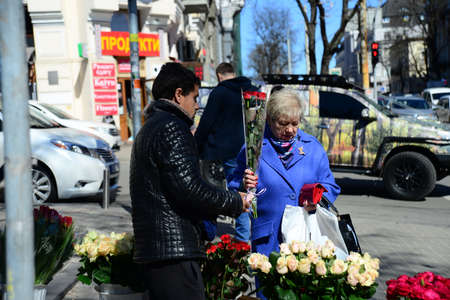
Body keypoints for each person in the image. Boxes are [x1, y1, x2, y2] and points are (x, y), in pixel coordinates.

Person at [130, 62, 251, 300]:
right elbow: (190, 189)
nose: (197, 105)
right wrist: (235, 201)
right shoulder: (172, 128)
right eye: (194, 97)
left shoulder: (152, 126)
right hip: (173, 252)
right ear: (178, 94)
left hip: (159, 249)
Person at [228, 88, 341, 257]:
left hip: (305, 236)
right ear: (269, 120)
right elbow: (233, 182)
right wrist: (243, 184)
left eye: (294, 123)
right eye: (283, 124)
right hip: (268, 237)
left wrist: (317, 199)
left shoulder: (312, 147)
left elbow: (330, 185)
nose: (289, 130)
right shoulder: (253, 147)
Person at [194, 62, 258, 242]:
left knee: (221, 194)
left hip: (221, 153)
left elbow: (206, 123)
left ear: (220, 76)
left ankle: (217, 236)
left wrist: (195, 146)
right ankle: (248, 238)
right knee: (245, 192)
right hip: (248, 150)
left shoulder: (220, 92)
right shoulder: (251, 90)